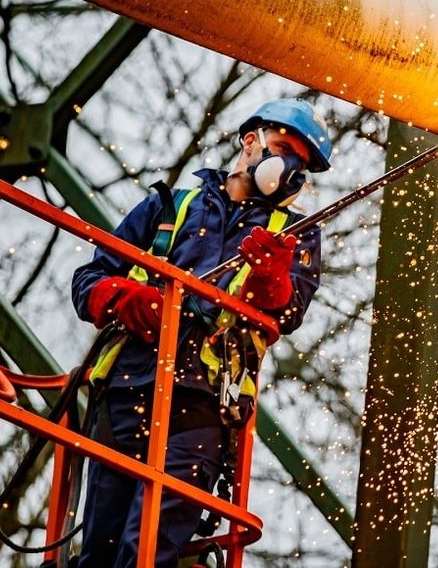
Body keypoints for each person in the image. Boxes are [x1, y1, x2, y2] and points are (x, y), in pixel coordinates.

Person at [70, 98, 331, 567]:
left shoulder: (295, 234)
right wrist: (120, 297)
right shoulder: (171, 205)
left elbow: (289, 311)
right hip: (128, 390)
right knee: (99, 551)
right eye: (283, 147)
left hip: (203, 407)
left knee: (144, 552)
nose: (290, 167)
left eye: (302, 164)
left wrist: (272, 278)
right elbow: (89, 279)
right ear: (250, 140)